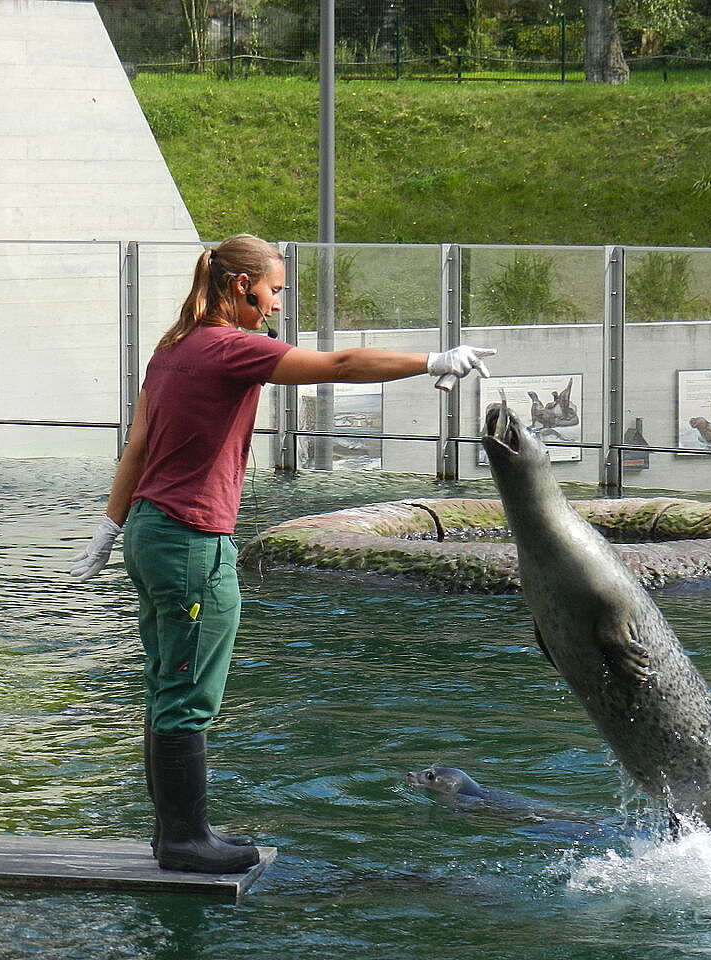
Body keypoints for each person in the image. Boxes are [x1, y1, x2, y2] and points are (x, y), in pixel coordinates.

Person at [70, 234, 494, 873]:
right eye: (271, 292)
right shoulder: (228, 349)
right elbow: (342, 366)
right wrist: (433, 360)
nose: (274, 306)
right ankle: (185, 842)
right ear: (241, 287)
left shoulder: (172, 350)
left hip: (150, 532)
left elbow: (137, 446)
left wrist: (109, 527)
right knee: (188, 694)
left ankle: (175, 836)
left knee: (165, 684)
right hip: (192, 542)